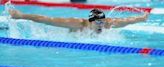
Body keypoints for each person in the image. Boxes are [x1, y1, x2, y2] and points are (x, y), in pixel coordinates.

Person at [9, 8, 149, 33]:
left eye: (102, 22)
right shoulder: (77, 23)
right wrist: (21, 15)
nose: (101, 25)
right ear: (90, 21)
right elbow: (47, 19)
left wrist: (141, 18)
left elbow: (127, 20)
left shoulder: (108, 24)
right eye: (97, 22)